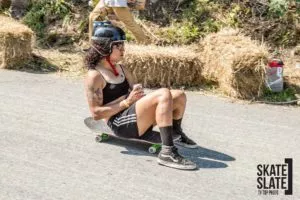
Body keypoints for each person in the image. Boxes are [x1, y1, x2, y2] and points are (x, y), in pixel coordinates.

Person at [84, 22, 197, 170]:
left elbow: (135, 93)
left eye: (122, 45)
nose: (123, 49)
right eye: (118, 46)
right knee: (163, 93)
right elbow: (96, 113)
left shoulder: (122, 68)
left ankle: (175, 131)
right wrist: (127, 102)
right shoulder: (95, 76)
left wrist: (136, 92)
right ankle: (167, 153)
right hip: (119, 123)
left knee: (178, 95)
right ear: (105, 47)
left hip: (132, 115)